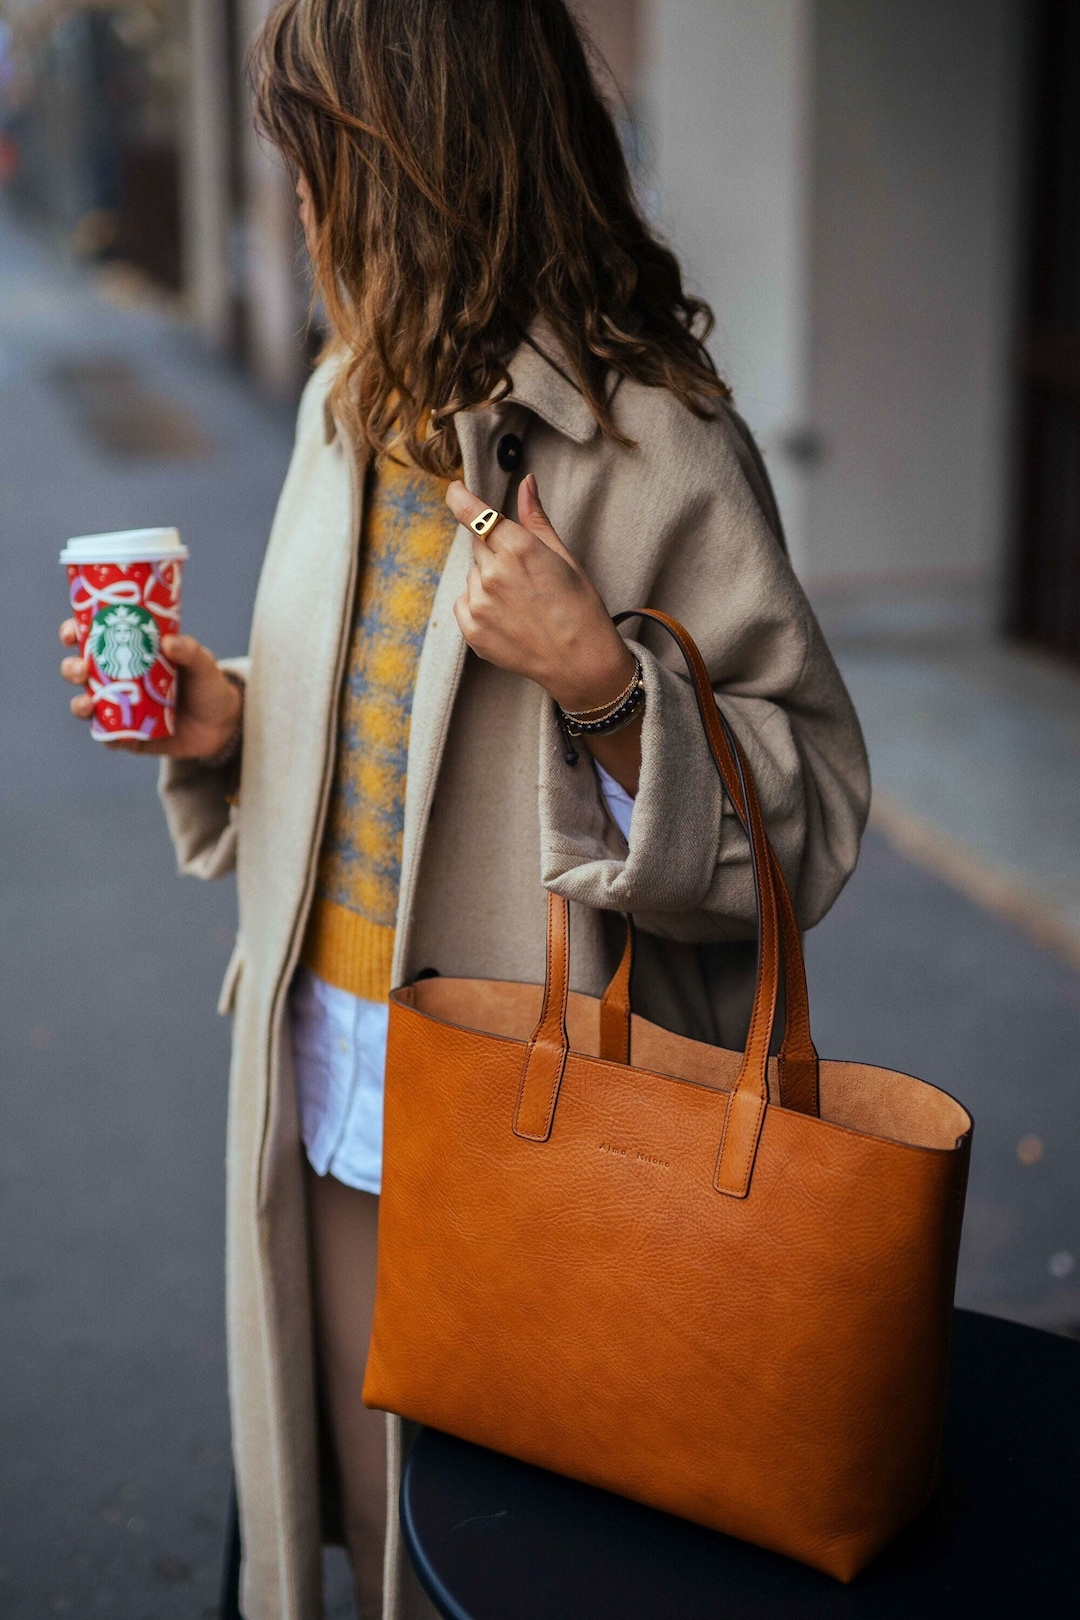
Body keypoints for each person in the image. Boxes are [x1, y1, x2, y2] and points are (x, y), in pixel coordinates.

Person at [60, 1, 869, 1615]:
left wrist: (610, 689)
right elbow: (373, 725)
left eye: (322, 163)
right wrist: (228, 723)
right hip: (331, 1111)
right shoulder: (342, 406)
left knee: (531, 1566)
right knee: (370, 1542)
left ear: (426, 169)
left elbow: (819, 811)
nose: (296, 202)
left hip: (562, 1149)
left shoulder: (656, 443)